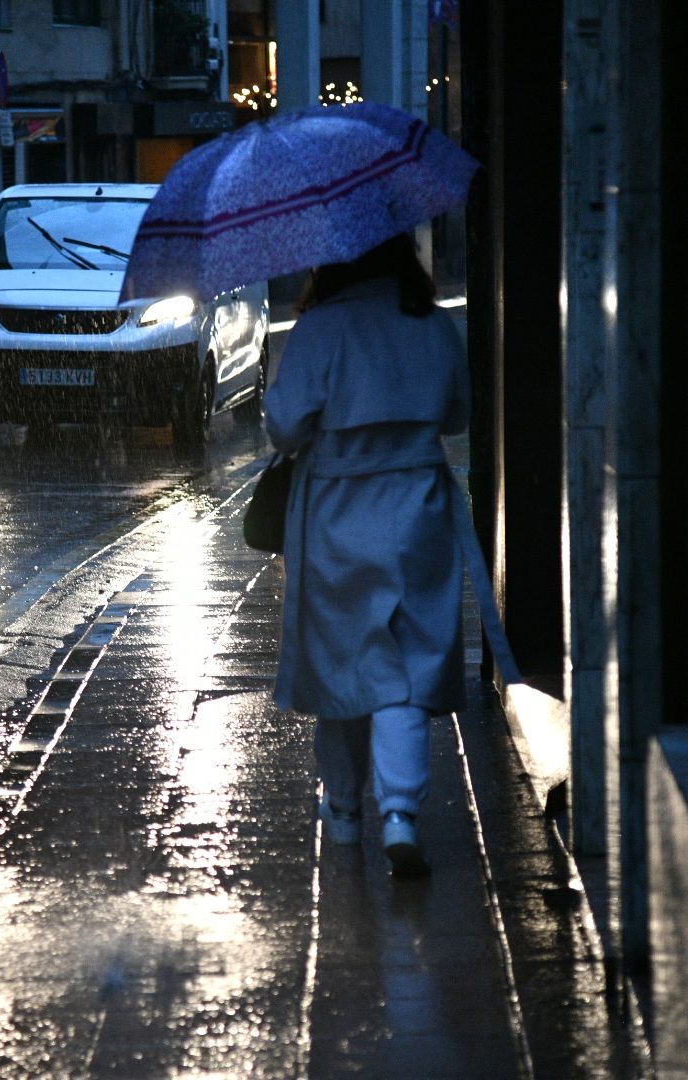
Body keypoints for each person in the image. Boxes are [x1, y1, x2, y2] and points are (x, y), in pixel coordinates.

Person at [262, 232, 470, 878]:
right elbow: (457, 415)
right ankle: (402, 813)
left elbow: (285, 425)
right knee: (406, 661)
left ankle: (345, 810)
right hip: (419, 508)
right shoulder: (430, 324)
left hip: (336, 514)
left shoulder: (321, 327)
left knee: (342, 663)